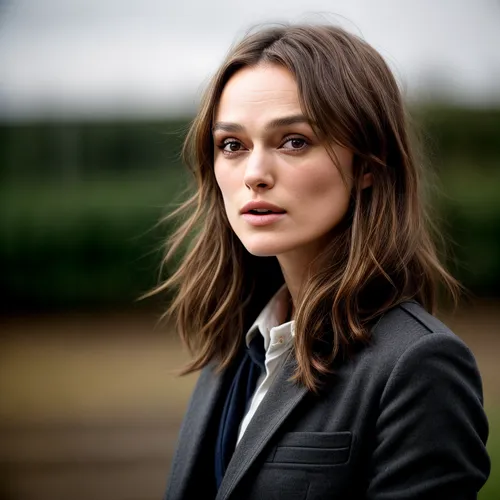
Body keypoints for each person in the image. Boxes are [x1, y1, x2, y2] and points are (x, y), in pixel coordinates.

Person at [156, 23, 490, 500]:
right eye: (232, 145)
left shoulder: (419, 365)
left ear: (369, 166)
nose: (254, 174)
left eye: (294, 141)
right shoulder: (234, 346)